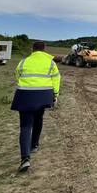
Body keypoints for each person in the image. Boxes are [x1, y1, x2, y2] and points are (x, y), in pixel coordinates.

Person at [11, 41, 61, 172]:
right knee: (39, 118)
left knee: (26, 126)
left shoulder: (23, 62)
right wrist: (55, 94)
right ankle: (34, 144)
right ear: (44, 49)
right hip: (43, 94)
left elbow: (17, 76)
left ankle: (25, 159)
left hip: (25, 95)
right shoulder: (50, 63)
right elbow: (56, 78)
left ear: (32, 49)